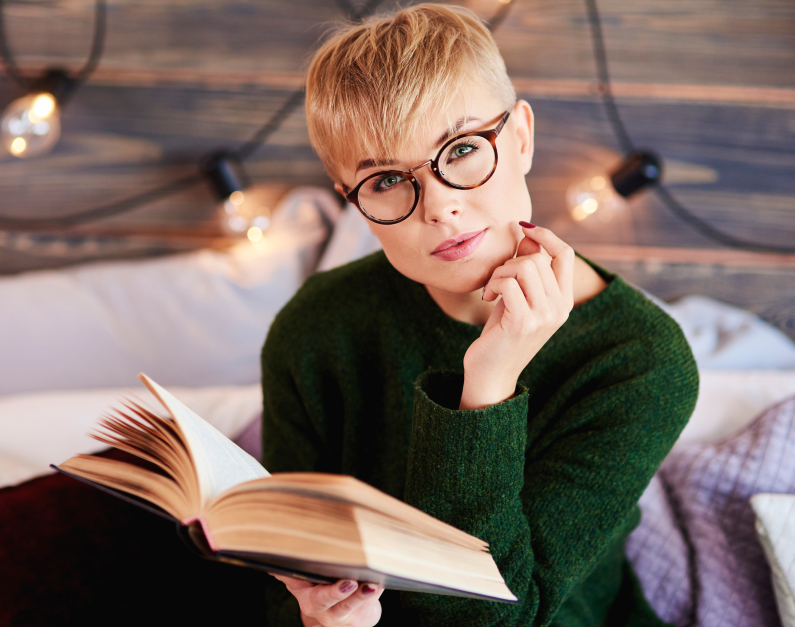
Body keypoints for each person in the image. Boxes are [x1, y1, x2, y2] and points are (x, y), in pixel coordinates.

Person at [260, 4, 698, 627]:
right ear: (352, 201)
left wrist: (486, 390)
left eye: (462, 148)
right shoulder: (317, 328)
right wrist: (317, 618)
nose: (438, 207)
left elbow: (496, 618)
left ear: (520, 137)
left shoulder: (640, 359)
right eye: (385, 180)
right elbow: (282, 575)